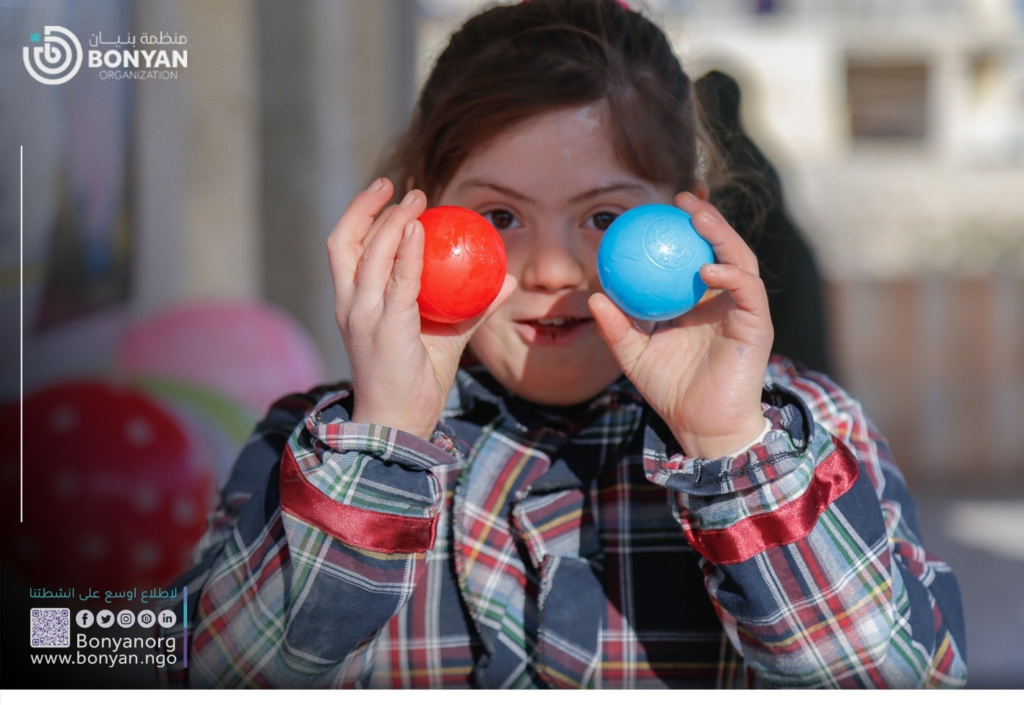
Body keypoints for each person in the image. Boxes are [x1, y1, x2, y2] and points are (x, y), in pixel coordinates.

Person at [164, 0, 966, 689]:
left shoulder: (798, 434)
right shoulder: (318, 447)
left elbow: (895, 679)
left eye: (607, 219)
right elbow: (200, 673)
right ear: (421, 212)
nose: (551, 270)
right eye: (500, 217)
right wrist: (388, 440)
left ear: (696, 216)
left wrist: (727, 446)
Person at [695, 69, 833, 376]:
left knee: (782, 382)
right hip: (788, 268)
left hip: (772, 277)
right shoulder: (752, 151)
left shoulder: (731, 161)